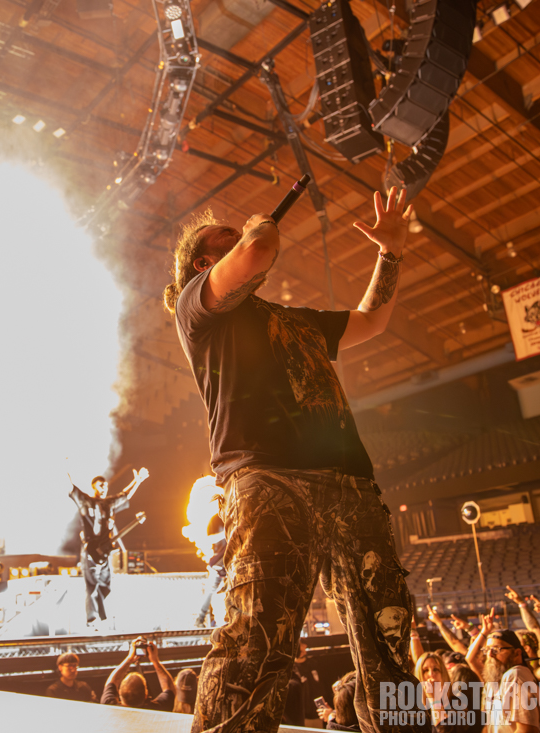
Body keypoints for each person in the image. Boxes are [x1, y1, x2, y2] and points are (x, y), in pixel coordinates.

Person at [166, 186, 423, 733]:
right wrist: (256, 230)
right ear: (204, 263)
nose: (239, 237)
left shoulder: (295, 320)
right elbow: (258, 247)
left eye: (237, 232)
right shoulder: (199, 308)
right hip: (266, 477)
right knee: (258, 634)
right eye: (224, 240)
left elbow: (370, 321)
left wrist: (391, 252)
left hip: (349, 481)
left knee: (387, 630)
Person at [68, 467, 149, 624]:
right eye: (100, 486)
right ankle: (91, 620)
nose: (104, 488)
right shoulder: (86, 501)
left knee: (106, 585)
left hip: (105, 551)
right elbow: (71, 487)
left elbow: (124, 495)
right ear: (93, 487)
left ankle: (103, 617)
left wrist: (137, 481)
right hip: (90, 549)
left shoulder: (108, 504)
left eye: (105, 486)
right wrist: (65, 467)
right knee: (91, 585)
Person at [479, 629, 540, 733]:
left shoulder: (516, 675)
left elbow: (527, 730)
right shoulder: (496, 681)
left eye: (496, 649)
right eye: (486, 649)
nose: (490, 654)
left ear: (517, 653)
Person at [101, 636, 176, 711]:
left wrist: (129, 659)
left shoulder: (109, 707)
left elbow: (112, 683)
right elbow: (170, 688)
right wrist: (155, 661)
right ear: (146, 695)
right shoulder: (158, 709)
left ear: (119, 693)